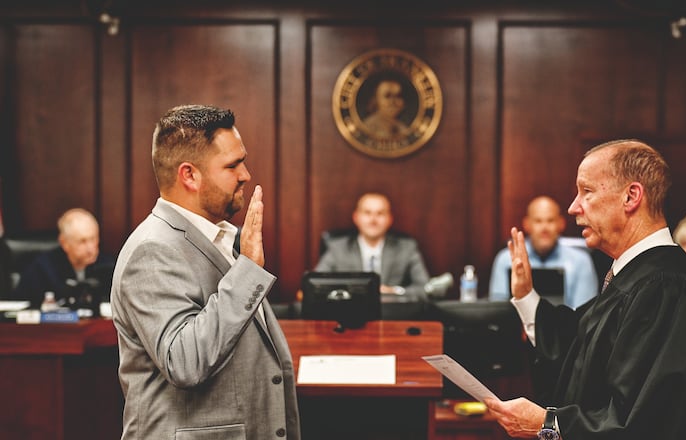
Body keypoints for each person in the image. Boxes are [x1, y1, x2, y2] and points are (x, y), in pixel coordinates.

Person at [484, 139, 686, 439]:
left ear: (631, 197)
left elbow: (646, 418)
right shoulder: (634, 275)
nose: (573, 207)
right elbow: (576, 344)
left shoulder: (665, 286)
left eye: (586, 191)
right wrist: (525, 295)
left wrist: (548, 424)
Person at [110, 105, 300, 439]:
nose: (245, 174)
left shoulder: (218, 233)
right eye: (232, 165)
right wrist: (249, 270)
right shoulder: (152, 250)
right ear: (190, 175)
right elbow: (185, 362)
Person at [315, 192, 430, 301]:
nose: (373, 220)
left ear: (390, 219)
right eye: (367, 213)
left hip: (392, 314)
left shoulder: (407, 248)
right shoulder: (337, 248)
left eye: (380, 213)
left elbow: (426, 289)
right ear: (356, 217)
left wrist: (395, 291)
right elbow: (315, 286)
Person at [488, 196, 598, 308]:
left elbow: (585, 315)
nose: (544, 228)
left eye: (550, 221)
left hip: (566, 324)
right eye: (538, 221)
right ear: (527, 224)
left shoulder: (581, 262)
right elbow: (498, 310)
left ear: (561, 224)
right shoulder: (506, 259)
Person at [11, 208, 115, 308]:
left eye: (93, 238)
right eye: (82, 241)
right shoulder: (42, 269)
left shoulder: (107, 266)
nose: (90, 248)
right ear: (64, 243)